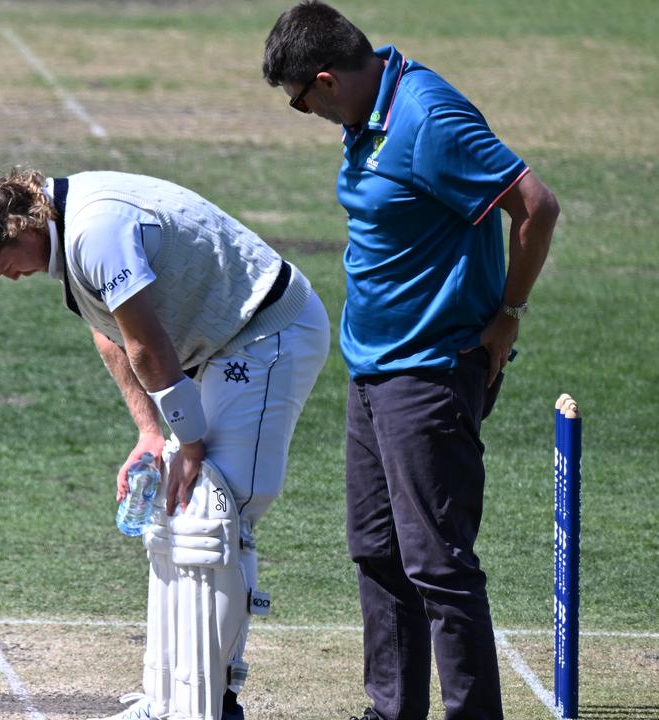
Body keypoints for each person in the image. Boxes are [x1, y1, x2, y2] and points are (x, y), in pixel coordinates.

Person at [0, 168, 330, 720]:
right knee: (170, 515)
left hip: (266, 333)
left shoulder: (94, 231)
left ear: (19, 229)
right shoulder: (63, 228)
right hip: (219, 346)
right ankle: (167, 701)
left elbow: (145, 344)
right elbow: (112, 332)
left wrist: (189, 443)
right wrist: (152, 432)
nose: (5, 277)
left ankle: (213, 705)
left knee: (215, 515)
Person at [261, 4, 560, 720]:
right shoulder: (368, 110)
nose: (303, 113)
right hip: (373, 370)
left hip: (429, 371)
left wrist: (507, 315)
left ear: (326, 80)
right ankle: (392, 710)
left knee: (437, 564)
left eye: (300, 100)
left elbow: (535, 206)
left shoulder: (427, 119)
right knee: (375, 550)